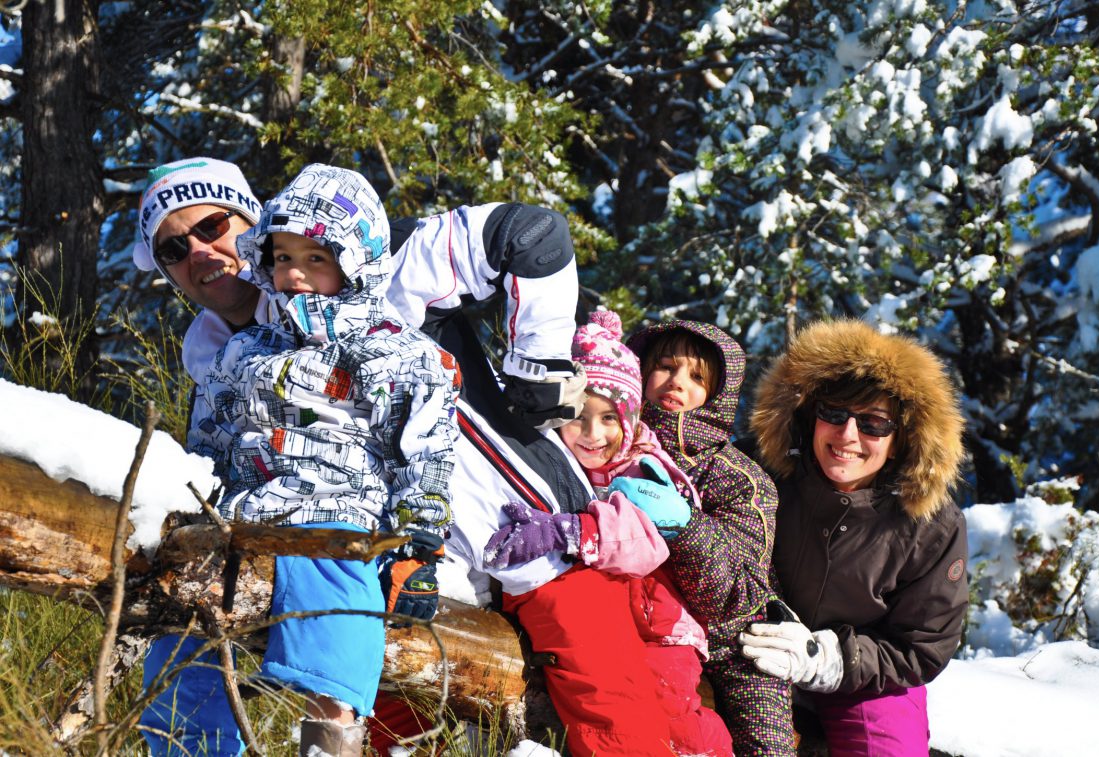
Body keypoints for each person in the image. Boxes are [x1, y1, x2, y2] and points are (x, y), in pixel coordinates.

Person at [131, 157, 672, 755]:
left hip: (535, 541)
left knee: (613, 717)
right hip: (391, 572)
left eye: (211, 226)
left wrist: (537, 366)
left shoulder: (391, 263)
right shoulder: (219, 358)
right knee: (396, 737)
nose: (200, 253)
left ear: (251, 218)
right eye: (174, 248)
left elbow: (533, 234)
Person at [194, 163, 460, 754]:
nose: (295, 274)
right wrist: (189, 497)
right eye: (283, 257)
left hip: (336, 515)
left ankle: (331, 736)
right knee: (187, 631)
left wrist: (417, 547)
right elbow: (210, 434)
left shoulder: (398, 353)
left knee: (340, 625)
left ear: (356, 262)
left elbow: (425, 450)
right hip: (239, 517)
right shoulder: (244, 350)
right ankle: (189, 739)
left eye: (316, 259)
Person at [483, 310, 734, 756]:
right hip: (618, 619)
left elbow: (642, 544)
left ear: (631, 420)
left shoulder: (643, 467)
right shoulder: (547, 459)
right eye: (578, 417)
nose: (591, 434)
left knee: (676, 714)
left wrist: (571, 531)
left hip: (663, 627)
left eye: (609, 419)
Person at [740, 318, 968, 757]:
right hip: (755, 653)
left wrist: (829, 659)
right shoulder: (761, 478)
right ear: (810, 419)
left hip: (869, 679)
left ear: (901, 439)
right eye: (833, 413)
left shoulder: (931, 526)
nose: (847, 435)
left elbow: (922, 646)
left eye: (873, 424)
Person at [623, 321, 797, 756]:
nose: (676, 383)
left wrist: (685, 525)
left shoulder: (740, 478)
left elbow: (736, 595)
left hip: (736, 641)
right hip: (647, 620)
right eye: (665, 367)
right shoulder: (609, 441)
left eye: (697, 377)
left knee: (766, 739)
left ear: (718, 395)